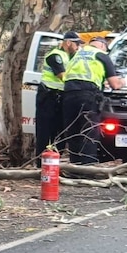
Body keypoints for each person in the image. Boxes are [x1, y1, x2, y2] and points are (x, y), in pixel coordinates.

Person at [62, 36, 126, 165]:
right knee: (89, 131)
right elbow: (115, 84)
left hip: (68, 95)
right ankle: (88, 167)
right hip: (88, 96)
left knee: (74, 131)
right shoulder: (101, 55)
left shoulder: (77, 54)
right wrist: (122, 82)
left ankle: (75, 166)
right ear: (102, 46)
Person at [35, 31, 83, 164]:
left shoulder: (69, 57)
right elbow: (62, 76)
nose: (78, 47)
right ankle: (40, 163)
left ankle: (55, 161)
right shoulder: (55, 56)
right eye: (76, 44)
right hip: (48, 97)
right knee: (45, 132)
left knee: (61, 130)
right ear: (68, 43)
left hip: (60, 97)